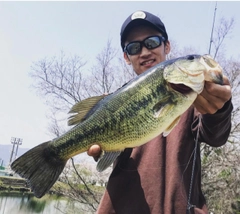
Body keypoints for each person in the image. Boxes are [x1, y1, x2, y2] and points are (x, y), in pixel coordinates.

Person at [88, 11, 233, 214]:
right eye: (134, 47)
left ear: (167, 46)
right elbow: (105, 152)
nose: (145, 52)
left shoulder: (192, 97)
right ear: (126, 57)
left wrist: (219, 109)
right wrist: (104, 150)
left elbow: (216, 135)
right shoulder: (115, 103)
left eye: (152, 42)